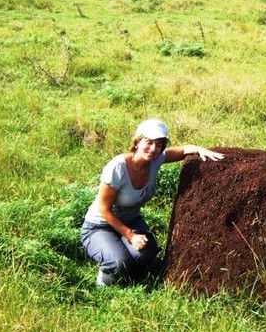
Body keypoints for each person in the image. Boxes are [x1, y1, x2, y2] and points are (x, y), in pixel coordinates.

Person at [80, 119, 224, 287]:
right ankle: (106, 277)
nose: (154, 149)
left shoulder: (156, 160)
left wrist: (200, 150)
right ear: (137, 142)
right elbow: (104, 210)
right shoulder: (118, 167)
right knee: (120, 263)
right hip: (100, 225)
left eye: (159, 144)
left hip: (131, 221)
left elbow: (184, 149)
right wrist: (131, 236)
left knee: (146, 254)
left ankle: (123, 258)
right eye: (148, 142)